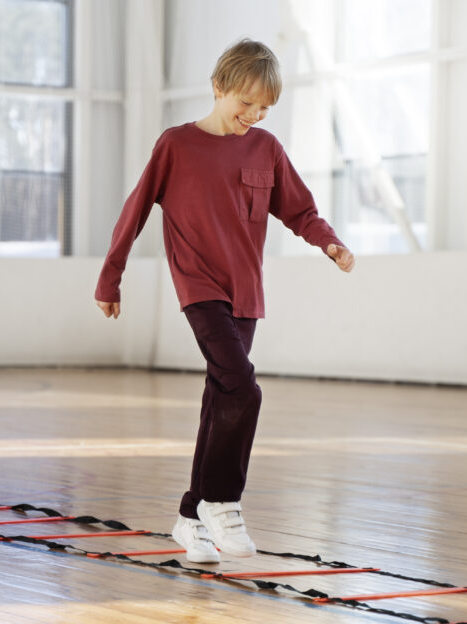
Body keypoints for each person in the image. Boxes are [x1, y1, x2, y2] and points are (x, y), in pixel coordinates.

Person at [94, 39, 355, 563]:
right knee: (243, 388)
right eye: (246, 103)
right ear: (218, 87)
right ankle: (222, 501)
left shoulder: (266, 149)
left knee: (221, 401)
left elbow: (299, 210)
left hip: (246, 294)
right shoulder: (176, 146)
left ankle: (191, 518)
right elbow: (136, 208)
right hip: (200, 289)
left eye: (264, 108)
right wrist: (110, 277)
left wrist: (328, 241)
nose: (253, 115)